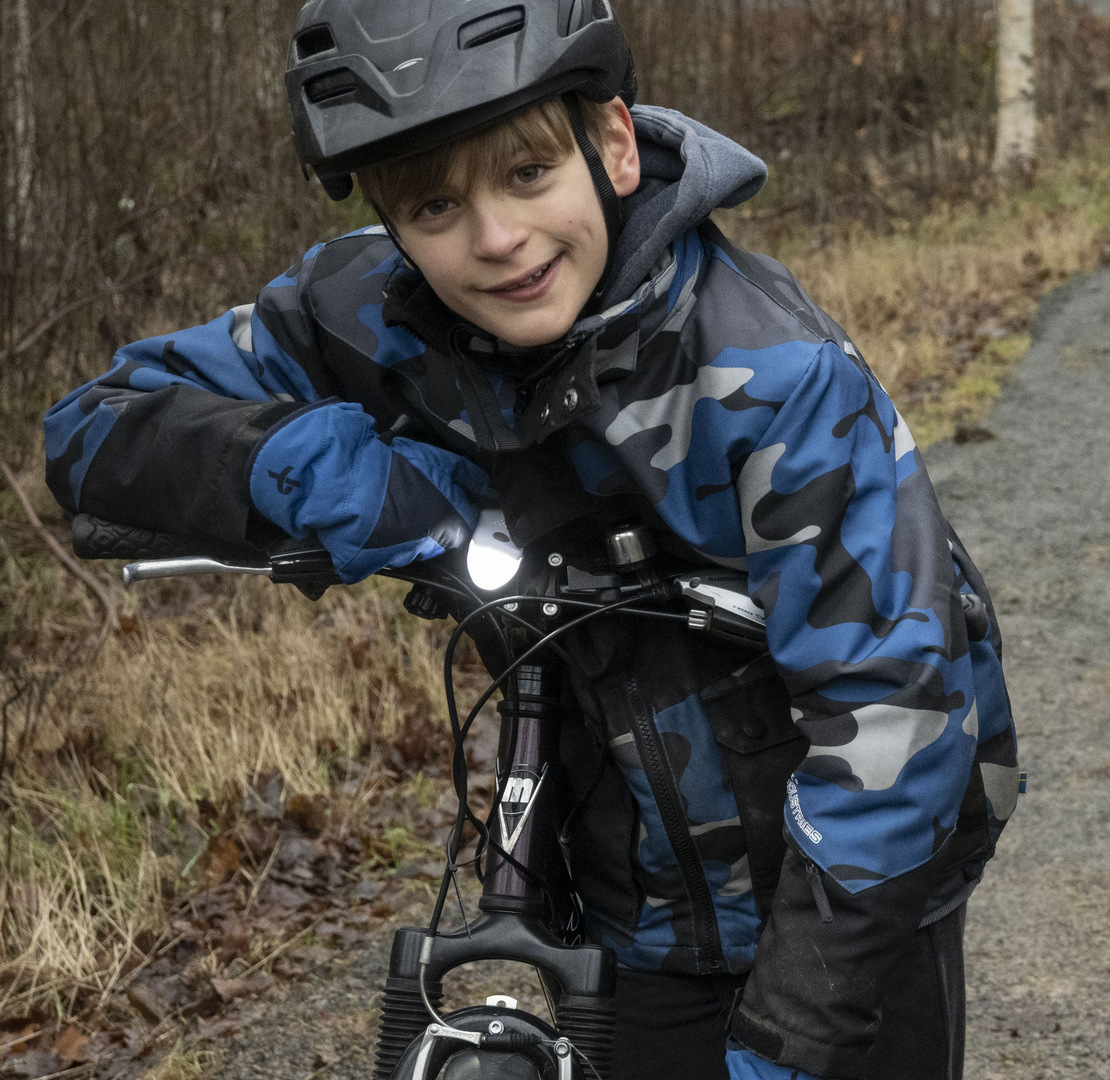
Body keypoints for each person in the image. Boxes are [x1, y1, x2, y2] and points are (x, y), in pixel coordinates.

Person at [41, 2, 1019, 1078]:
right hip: (631, 908)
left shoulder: (770, 383)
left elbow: (897, 730)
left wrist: (789, 1045)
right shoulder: (370, 313)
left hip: (847, 911)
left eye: (525, 174)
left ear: (610, 143)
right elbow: (93, 427)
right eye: (433, 205)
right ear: (390, 221)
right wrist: (334, 476)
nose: (496, 239)